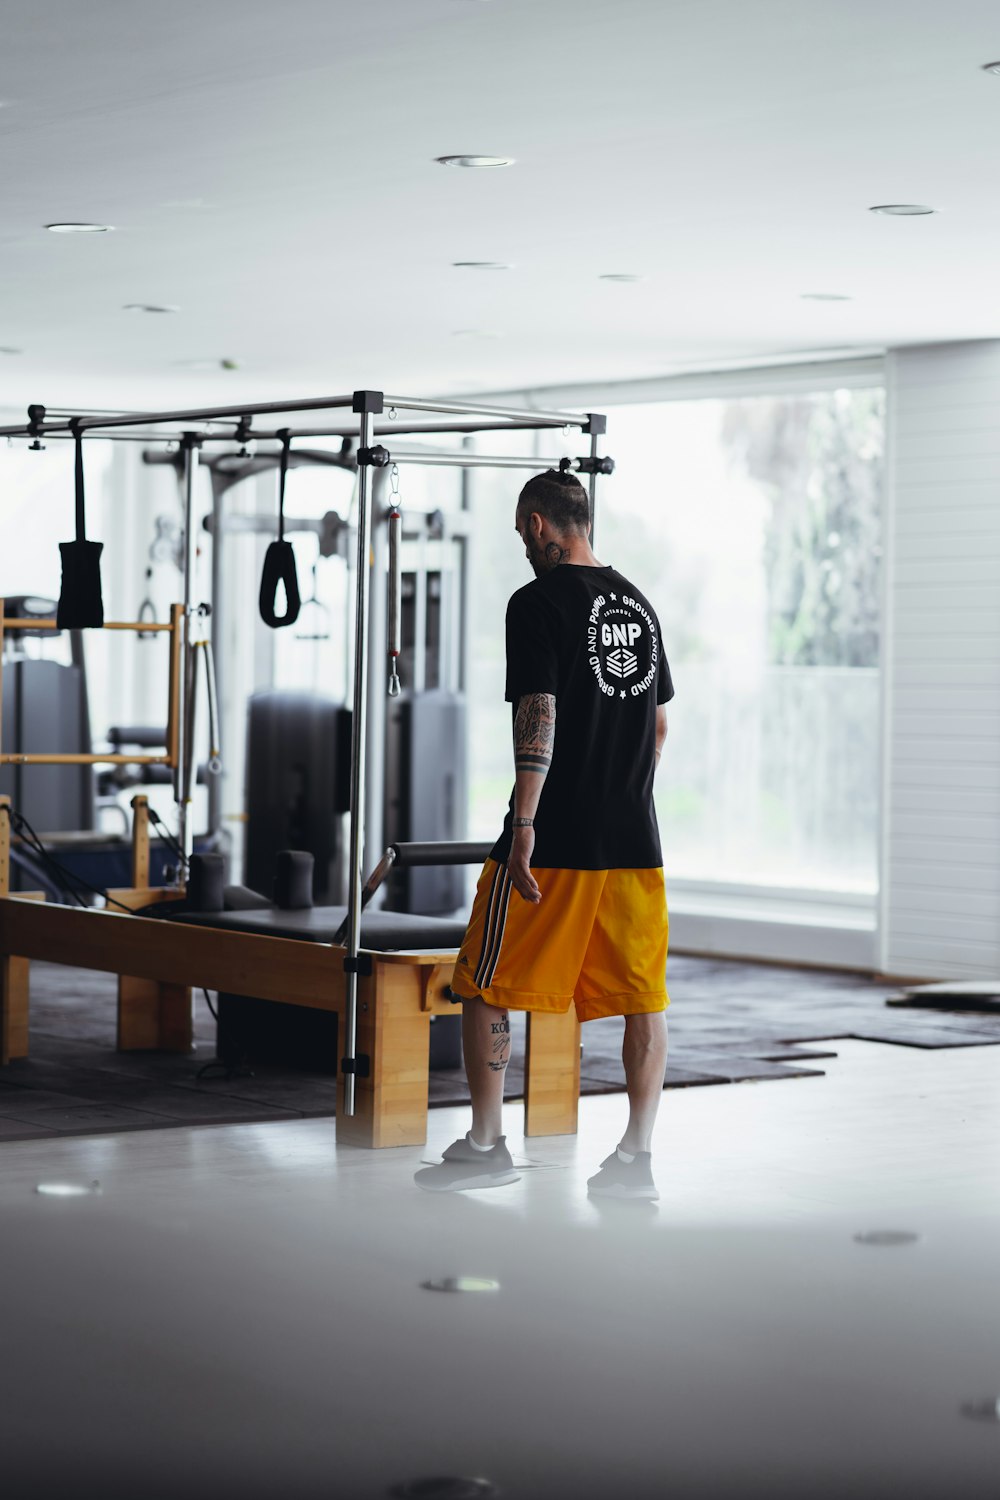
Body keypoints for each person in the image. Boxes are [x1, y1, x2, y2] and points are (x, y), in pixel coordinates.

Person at [415, 468, 673, 1199]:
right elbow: (657, 724)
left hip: (556, 835)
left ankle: (488, 1141)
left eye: (520, 534)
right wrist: (624, 792)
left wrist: (525, 818)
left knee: (483, 979)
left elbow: (541, 712)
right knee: (642, 996)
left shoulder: (535, 602)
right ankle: (636, 1156)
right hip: (634, 839)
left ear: (537, 526)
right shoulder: (640, 606)